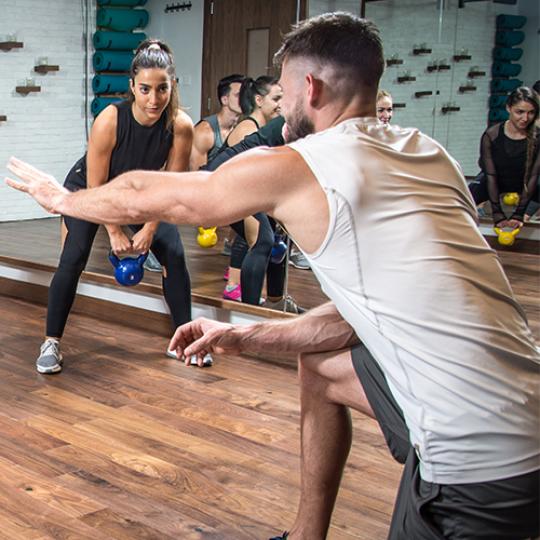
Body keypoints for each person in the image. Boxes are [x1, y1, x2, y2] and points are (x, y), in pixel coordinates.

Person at [6, 13, 539, 540]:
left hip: (476, 465)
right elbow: (365, 315)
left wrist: (61, 197)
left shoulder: (308, 162)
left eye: (282, 92)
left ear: (309, 87)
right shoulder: (430, 154)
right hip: (524, 403)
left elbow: (155, 194)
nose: (279, 104)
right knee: (326, 371)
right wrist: (243, 334)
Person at [26, 39, 212, 374]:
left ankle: (184, 338)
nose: (153, 99)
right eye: (144, 89)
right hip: (91, 188)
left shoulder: (181, 126)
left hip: (142, 193)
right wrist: (113, 231)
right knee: (74, 255)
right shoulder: (109, 120)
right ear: (132, 87)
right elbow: (98, 188)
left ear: (173, 86)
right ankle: (51, 342)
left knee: (175, 255)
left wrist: (151, 229)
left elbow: (171, 187)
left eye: (162, 89)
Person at [218, 76, 285, 305]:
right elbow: (241, 174)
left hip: (244, 190)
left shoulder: (265, 128)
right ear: (259, 100)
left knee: (274, 233)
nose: (280, 104)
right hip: (226, 189)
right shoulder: (248, 128)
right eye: (276, 98)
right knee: (263, 239)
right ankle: (249, 308)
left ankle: (276, 301)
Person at [469, 87, 539, 227]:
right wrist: (497, 213)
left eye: (531, 113)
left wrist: (519, 213)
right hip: (496, 180)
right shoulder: (491, 135)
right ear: (508, 108)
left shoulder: (538, 137)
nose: (525, 118)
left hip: (525, 183)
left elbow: (533, 176)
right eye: (520, 112)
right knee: (463, 198)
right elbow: (490, 176)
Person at [189, 73, 245, 171]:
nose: (244, 99)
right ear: (225, 100)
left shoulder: (240, 129)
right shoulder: (204, 132)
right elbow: (198, 176)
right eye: (238, 95)